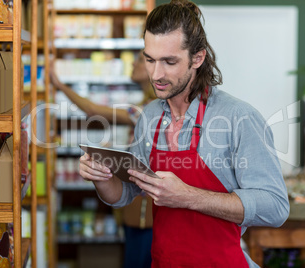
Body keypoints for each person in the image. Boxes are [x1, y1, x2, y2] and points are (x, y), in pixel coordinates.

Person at [79, 0, 290, 267]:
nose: (156, 74)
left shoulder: (239, 118)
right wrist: (101, 177)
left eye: (169, 62)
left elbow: (275, 207)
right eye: (150, 59)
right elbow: (124, 194)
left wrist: (187, 196)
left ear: (197, 58)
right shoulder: (150, 117)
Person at [51, 53, 155, 268]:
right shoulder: (144, 106)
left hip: (145, 215)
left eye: (139, 60)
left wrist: (59, 85)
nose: (133, 63)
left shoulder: (148, 109)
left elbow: (92, 110)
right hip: (138, 210)